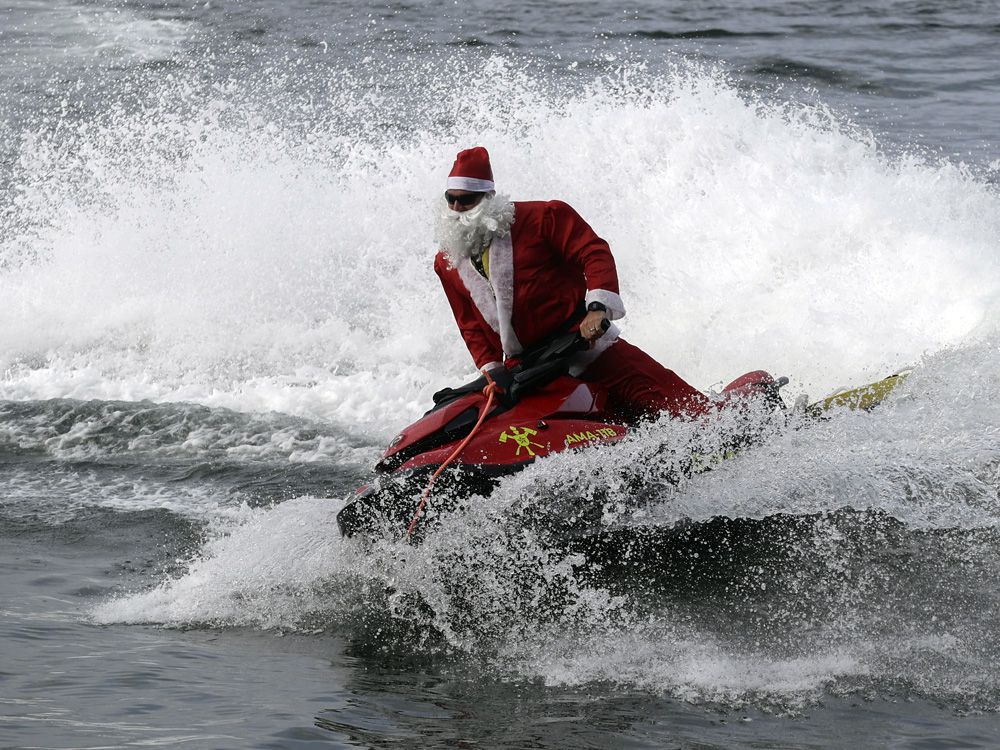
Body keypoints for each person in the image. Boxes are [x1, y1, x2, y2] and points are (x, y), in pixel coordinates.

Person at [433, 146, 713, 421]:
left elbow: (593, 252)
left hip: (585, 345)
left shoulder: (543, 218)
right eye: (451, 199)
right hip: (527, 371)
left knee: (682, 408)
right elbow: (469, 325)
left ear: (488, 197)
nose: (457, 208)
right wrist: (492, 370)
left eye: (467, 200)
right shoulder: (447, 263)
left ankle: (718, 423)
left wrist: (597, 308)